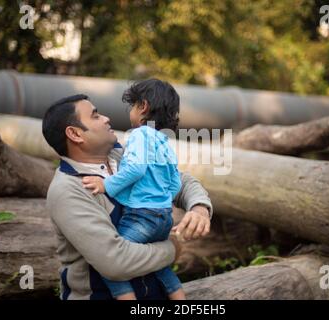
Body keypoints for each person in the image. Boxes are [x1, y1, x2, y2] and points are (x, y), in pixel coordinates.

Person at [42, 93, 212, 300]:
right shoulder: (68, 189)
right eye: (95, 116)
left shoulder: (123, 156)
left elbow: (180, 181)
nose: (106, 118)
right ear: (75, 134)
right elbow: (116, 262)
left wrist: (199, 208)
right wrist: (173, 248)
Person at [82, 79, 184, 300]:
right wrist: (162, 200)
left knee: (111, 263)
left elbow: (136, 169)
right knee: (160, 267)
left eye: (133, 106)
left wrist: (105, 184)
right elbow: (175, 182)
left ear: (143, 107)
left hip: (141, 216)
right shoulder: (164, 141)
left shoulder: (140, 134)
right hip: (164, 217)